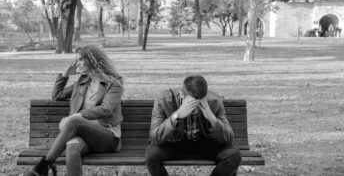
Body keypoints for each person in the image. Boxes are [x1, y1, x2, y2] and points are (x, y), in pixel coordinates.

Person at [24, 45, 124, 176]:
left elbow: (107, 109)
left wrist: (77, 116)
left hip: (108, 136)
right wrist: (65, 74)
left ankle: (43, 166)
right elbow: (57, 96)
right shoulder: (82, 83)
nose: (77, 63)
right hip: (83, 136)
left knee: (75, 121)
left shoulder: (114, 82)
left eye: (81, 59)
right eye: (77, 60)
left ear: (93, 60)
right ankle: (45, 167)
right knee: (72, 147)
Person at [145, 75, 241, 176]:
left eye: (199, 103)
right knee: (151, 155)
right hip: (174, 143)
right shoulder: (163, 99)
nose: (196, 109)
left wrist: (212, 118)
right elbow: (155, 138)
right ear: (182, 94)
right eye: (192, 103)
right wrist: (176, 115)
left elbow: (229, 139)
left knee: (233, 155)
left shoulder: (215, 101)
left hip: (204, 143)